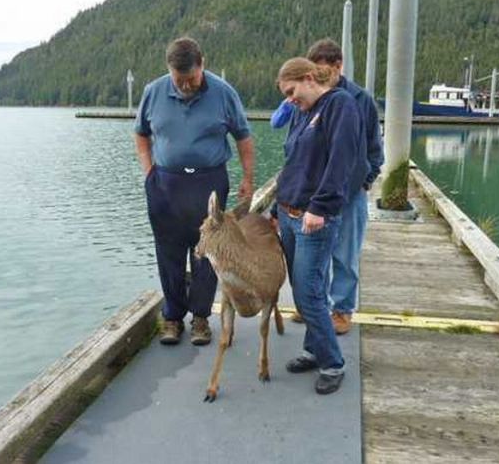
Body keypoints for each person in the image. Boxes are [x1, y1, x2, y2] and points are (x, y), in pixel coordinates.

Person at [134, 37, 254, 346]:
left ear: (202, 64)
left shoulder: (224, 93)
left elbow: (243, 136)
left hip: (209, 183)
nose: (186, 85)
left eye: (192, 78)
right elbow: (141, 135)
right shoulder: (152, 92)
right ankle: (172, 318)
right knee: (168, 251)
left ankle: (200, 318)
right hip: (165, 184)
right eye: (179, 79)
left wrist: (248, 178)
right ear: (169, 70)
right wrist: (149, 172)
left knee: (207, 252)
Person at [274, 57, 368, 395]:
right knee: (303, 292)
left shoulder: (340, 106)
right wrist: (276, 206)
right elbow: (293, 163)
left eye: (292, 91)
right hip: (288, 212)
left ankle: (333, 363)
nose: (290, 99)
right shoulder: (302, 112)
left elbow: (342, 161)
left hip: (314, 218)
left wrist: (320, 207)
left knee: (309, 291)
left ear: (310, 78)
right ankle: (313, 351)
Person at [307, 38, 383, 335]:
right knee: (314, 253)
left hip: (349, 195)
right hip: (315, 194)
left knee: (345, 255)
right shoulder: (311, 97)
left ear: (339, 66)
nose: (318, 79)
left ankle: (342, 310)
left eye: (324, 72)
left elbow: (374, 149)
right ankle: (315, 304)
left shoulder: (361, 100)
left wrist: (365, 181)